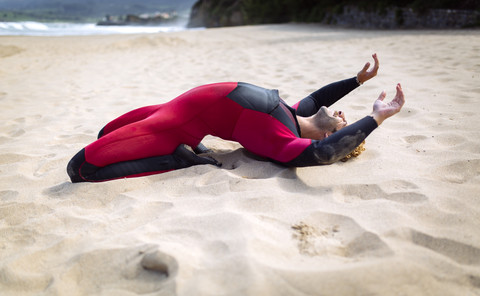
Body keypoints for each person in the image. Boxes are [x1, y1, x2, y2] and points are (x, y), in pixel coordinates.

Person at [67, 53, 405, 183]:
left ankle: (179, 159)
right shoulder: (295, 114)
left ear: (325, 135)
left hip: (170, 125)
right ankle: (188, 147)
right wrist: (358, 81)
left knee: (81, 167)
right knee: (104, 132)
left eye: (343, 122)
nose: (344, 115)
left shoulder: (282, 138)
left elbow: (324, 153)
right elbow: (319, 98)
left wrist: (376, 118)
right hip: (169, 107)